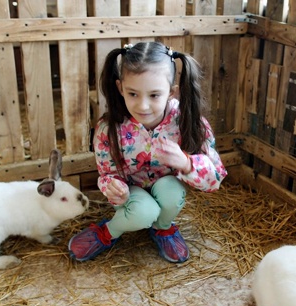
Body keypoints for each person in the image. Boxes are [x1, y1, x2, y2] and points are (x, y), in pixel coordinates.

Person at [68, 42, 227, 263]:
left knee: (172, 192)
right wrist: (117, 189)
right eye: (133, 93)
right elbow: (107, 174)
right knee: (143, 212)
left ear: (171, 92)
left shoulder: (187, 121)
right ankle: (109, 230)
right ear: (120, 87)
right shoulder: (109, 128)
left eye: (154, 95)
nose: (143, 106)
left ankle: (162, 228)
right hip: (131, 193)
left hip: (165, 187)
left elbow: (215, 179)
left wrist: (187, 163)